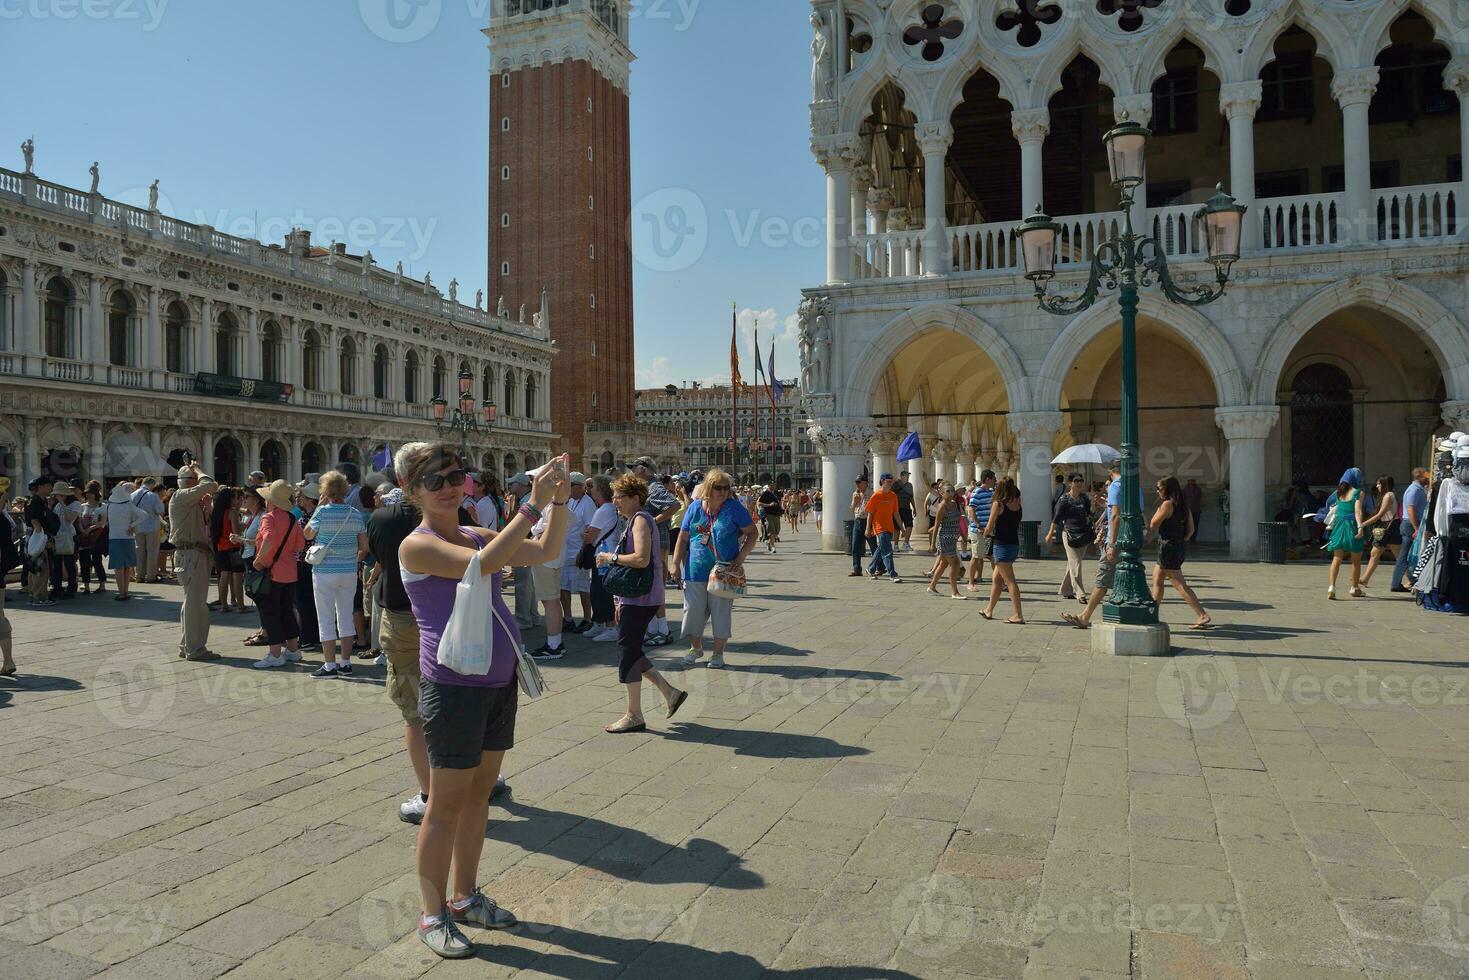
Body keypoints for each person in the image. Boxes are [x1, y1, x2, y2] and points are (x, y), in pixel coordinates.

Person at [397, 444, 568, 958]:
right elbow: (480, 566)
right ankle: (432, 915)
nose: (449, 486)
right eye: (435, 480)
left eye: (455, 475)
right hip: (452, 688)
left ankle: (465, 896)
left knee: (479, 796)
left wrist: (558, 502)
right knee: (444, 806)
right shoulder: (416, 546)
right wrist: (531, 506)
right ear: (412, 491)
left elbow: (542, 552)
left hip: (498, 681)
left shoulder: (474, 530)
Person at [596, 474, 688, 733]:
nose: (615, 501)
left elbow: (641, 559)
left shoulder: (639, 520)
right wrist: (619, 600)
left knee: (627, 653)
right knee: (631, 651)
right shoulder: (635, 520)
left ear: (635, 498)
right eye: (614, 497)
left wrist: (610, 557)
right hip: (635, 598)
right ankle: (669, 693)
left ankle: (634, 714)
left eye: (619, 497)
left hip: (641, 597)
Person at [675, 469, 757, 668]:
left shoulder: (734, 508)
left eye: (725, 488)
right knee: (692, 611)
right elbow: (683, 537)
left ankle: (718, 654)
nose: (722, 491)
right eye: (717, 487)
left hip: (723, 571)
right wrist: (675, 563)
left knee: (720, 612)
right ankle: (696, 647)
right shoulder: (695, 508)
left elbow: (752, 533)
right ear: (708, 488)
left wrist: (741, 556)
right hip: (694, 570)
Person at [304, 471, 368, 676]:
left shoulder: (322, 513)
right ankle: (346, 663)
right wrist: (351, 560)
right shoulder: (355, 514)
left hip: (324, 571)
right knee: (346, 616)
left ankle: (330, 665)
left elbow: (307, 534)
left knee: (325, 617)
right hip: (348, 572)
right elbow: (364, 546)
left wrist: (319, 507)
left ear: (325, 491)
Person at [249, 481, 306, 669]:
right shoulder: (291, 518)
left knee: (271, 613)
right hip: (290, 572)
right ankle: (292, 650)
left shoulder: (269, 518)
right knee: (287, 611)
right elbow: (299, 545)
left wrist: (259, 559)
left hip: (272, 572)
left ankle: (275, 654)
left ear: (270, 501)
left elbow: (269, 538)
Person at [170, 461, 218, 660]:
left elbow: (206, 524)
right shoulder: (181, 496)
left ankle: (187, 644)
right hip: (190, 555)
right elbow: (211, 484)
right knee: (195, 604)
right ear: (190, 482)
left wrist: (208, 508)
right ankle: (195, 648)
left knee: (192, 602)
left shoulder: (191, 502)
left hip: (195, 553)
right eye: (195, 480)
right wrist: (199, 469)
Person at [628, 458, 678, 647]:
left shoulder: (654, 487)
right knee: (649, 586)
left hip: (656, 540)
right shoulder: (645, 486)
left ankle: (662, 630)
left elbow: (675, 505)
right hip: (650, 540)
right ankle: (654, 628)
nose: (632, 471)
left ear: (645, 469)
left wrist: (653, 521)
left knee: (655, 585)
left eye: (634, 468)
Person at [1150, 476, 1212, 629]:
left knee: (1179, 584)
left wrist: (1159, 511)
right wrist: (1179, 540)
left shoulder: (1167, 505)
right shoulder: (1184, 506)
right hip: (1177, 545)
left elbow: (1153, 524)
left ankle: (1202, 615)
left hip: (1167, 547)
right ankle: (1151, 613)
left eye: (1159, 488)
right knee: (1157, 579)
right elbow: (1191, 530)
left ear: (1167, 489)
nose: (1157, 491)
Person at [979, 478, 1024, 624]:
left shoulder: (998, 504)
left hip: (1001, 545)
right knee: (997, 580)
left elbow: (990, 526)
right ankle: (989, 610)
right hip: (1013, 545)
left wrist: (984, 533)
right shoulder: (1017, 504)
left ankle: (1018, 615)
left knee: (1010, 581)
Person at [583, 476, 621, 642]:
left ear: (599, 490)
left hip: (603, 555)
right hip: (608, 553)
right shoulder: (612, 508)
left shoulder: (603, 510)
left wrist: (583, 534)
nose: (590, 490)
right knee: (598, 589)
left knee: (601, 591)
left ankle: (611, 626)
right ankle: (599, 623)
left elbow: (590, 537)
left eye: (593, 487)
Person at [1046, 474, 1093, 602]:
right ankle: (1080, 593)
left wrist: (1094, 503)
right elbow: (1056, 518)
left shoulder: (1084, 498)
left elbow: (1089, 514)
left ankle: (1065, 590)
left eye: (1081, 480)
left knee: (1073, 563)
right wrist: (1050, 534)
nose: (1079, 483)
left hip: (1083, 534)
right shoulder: (1064, 499)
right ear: (1070, 483)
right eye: (1076, 481)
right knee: (1076, 562)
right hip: (1069, 534)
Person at [102, 481, 148, 602]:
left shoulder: (108, 506)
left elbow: (97, 512)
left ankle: (121, 592)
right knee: (127, 568)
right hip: (128, 538)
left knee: (118, 568)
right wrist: (132, 525)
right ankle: (125, 592)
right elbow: (144, 515)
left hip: (114, 538)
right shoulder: (128, 505)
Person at [1326, 468, 1367, 600]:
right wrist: (1360, 526)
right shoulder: (1358, 493)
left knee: (1337, 558)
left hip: (1338, 526)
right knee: (1355, 560)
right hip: (1351, 526)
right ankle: (1354, 588)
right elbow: (1358, 511)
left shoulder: (1339, 493)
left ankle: (1331, 587)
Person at [504, 473, 537, 630]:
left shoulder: (526, 502)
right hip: (529, 545)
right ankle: (533, 616)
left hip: (523, 545)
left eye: (513, 483)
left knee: (522, 584)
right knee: (529, 584)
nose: (510, 486)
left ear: (522, 484)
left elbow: (519, 527)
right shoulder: (526, 499)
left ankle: (524, 619)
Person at [1358, 475, 1400, 591]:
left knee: (1376, 553)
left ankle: (1411, 580)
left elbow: (1380, 515)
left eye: (1379, 484)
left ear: (1384, 484)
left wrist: (1363, 524)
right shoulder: (1389, 495)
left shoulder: (1388, 495)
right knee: (1397, 556)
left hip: (1388, 527)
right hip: (1392, 526)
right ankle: (1365, 578)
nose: (1377, 486)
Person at [293, 480, 321, 651]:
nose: (299, 499)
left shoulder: (305, 520)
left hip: (303, 562)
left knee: (303, 601)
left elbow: (300, 543)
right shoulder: (320, 516)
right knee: (314, 601)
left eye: (302, 496)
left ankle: (307, 637)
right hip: (317, 562)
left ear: (310, 500)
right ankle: (315, 636)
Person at [1393, 468, 1431, 593]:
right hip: (1410, 525)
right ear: (1419, 476)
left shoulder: (1419, 489)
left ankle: (1411, 580)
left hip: (1413, 524)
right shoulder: (1414, 490)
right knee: (1405, 555)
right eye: (1426, 475)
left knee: (1412, 554)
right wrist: (1416, 529)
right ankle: (1397, 583)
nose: (1428, 477)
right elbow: (1411, 509)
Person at [209, 487, 247, 614]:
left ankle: (224, 604)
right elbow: (236, 532)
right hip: (233, 547)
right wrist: (245, 526)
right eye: (236, 497)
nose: (237, 500)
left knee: (224, 576)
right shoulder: (233, 512)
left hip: (220, 547)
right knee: (237, 577)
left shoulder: (217, 512)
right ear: (230, 499)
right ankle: (241, 605)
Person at [926, 483, 966, 599]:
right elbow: (937, 526)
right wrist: (932, 544)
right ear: (942, 493)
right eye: (948, 491)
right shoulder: (941, 506)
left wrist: (963, 536)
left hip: (953, 538)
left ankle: (932, 587)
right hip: (944, 538)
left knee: (944, 563)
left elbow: (957, 522)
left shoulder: (955, 504)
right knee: (955, 564)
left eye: (952, 491)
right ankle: (955, 592)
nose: (951, 493)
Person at [24, 476, 56, 606]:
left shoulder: (33, 500)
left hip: (33, 535)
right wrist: (43, 538)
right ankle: (40, 597)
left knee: (33, 568)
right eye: (49, 486)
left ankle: (32, 595)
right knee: (41, 569)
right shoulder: (37, 501)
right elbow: (34, 520)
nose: (51, 488)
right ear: (41, 487)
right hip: (38, 535)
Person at [865, 473, 901, 582]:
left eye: (891, 481)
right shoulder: (876, 495)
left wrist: (902, 528)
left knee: (881, 549)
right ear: (882, 481)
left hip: (889, 527)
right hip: (879, 527)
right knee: (888, 551)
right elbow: (870, 513)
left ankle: (870, 568)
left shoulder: (893, 496)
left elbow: (896, 513)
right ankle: (892, 574)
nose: (890, 483)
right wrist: (868, 528)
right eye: (888, 481)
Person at [965, 471, 996, 591]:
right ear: (987, 479)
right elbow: (971, 509)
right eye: (993, 478)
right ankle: (971, 582)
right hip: (978, 530)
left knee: (993, 556)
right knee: (976, 556)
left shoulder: (992, 493)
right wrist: (978, 525)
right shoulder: (977, 492)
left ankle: (999, 582)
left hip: (989, 530)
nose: (995, 480)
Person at [130, 478, 165, 582]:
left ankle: (139, 575)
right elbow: (160, 510)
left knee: (139, 551)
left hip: (137, 526)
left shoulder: (132, 495)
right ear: (152, 485)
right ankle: (150, 576)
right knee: (152, 551)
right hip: (152, 526)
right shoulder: (153, 496)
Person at [77, 483, 107, 594]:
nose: (89, 495)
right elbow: (78, 520)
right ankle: (86, 586)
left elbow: (103, 522)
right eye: (87, 493)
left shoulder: (102, 506)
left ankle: (102, 584)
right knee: (84, 562)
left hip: (97, 536)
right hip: (84, 536)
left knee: (97, 561)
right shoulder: (82, 506)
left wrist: (90, 529)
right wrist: (82, 530)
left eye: (91, 493)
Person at [50, 484, 78, 599]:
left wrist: (62, 502)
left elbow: (70, 519)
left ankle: (71, 588)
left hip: (69, 536)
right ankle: (57, 588)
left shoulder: (75, 504)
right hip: (57, 537)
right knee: (56, 565)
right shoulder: (56, 505)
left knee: (69, 564)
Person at [848, 474, 871, 576]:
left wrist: (869, 526)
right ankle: (857, 569)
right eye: (856, 482)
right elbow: (852, 509)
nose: (857, 485)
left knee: (873, 545)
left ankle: (880, 567)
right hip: (857, 520)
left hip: (868, 521)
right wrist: (855, 501)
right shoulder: (855, 494)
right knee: (855, 546)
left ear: (865, 483)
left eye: (859, 482)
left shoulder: (871, 493)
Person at [757, 483, 782, 553]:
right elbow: (759, 503)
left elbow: (779, 502)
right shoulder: (765, 493)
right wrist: (769, 505)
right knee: (771, 531)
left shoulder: (776, 493)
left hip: (776, 514)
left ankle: (768, 542)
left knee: (777, 531)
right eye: (771, 485)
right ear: (768, 486)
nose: (773, 486)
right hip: (768, 514)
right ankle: (773, 547)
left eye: (774, 485)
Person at [895, 470, 916, 552]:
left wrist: (914, 508)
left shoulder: (910, 485)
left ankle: (906, 543)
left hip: (907, 508)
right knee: (896, 528)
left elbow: (911, 497)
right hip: (898, 509)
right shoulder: (896, 484)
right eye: (906, 475)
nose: (908, 477)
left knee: (909, 525)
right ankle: (896, 545)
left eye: (908, 475)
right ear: (901, 476)